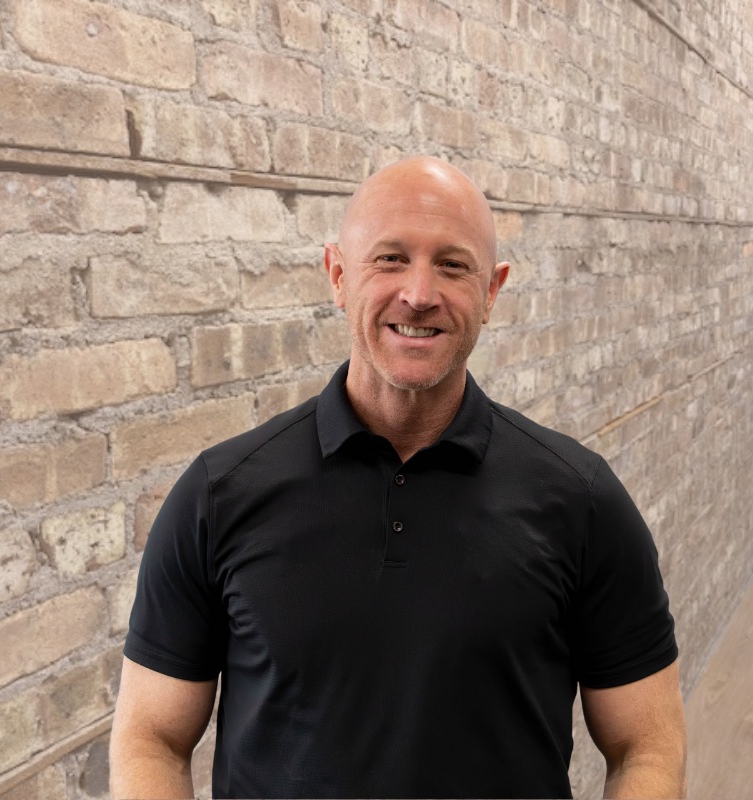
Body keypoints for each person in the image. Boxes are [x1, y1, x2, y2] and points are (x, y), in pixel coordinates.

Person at [110, 156, 687, 799]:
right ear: (337, 274)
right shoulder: (219, 495)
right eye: (389, 258)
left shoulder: (582, 501)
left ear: (491, 291)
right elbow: (150, 738)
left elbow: (647, 746)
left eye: (452, 264)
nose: (419, 293)